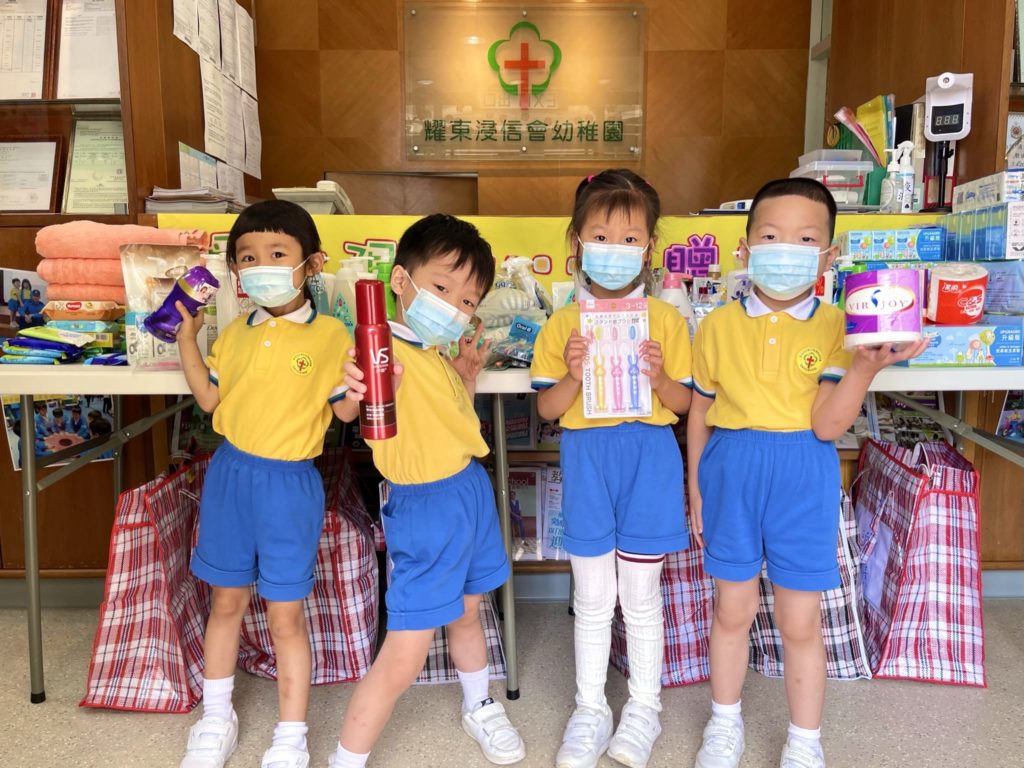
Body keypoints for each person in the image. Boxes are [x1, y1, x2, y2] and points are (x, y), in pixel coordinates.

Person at [687, 178, 929, 768]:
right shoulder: (716, 325)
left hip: (803, 476)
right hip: (730, 474)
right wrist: (695, 489)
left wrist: (865, 370)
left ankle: (804, 739)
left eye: (805, 238)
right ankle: (724, 723)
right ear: (745, 247)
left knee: (800, 621)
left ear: (828, 255)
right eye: (771, 236)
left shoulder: (840, 326)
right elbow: (698, 412)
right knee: (732, 611)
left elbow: (827, 426)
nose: (786, 249)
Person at [332, 214, 525, 768]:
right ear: (400, 280)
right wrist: (359, 390)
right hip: (423, 505)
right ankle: (347, 757)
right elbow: (351, 409)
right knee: (405, 650)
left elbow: (447, 422)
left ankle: (479, 703)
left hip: (469, 492)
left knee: (469, 610)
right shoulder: (379, 350)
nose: (453, 307)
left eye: (467, 300)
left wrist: (466, 377)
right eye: (441, 287)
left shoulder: (434, 350)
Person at [174, 200, 358, 768]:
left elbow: (346, 414)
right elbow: (209, 399)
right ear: (235, 270)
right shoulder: (234, 334)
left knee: (285, 614)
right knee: (225, 601)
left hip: (290, 487)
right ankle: (216, 717)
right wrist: (187, 339)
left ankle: (291, 733)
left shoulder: (332, 335)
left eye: (278, 253)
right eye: (248, 257)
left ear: (312, 264)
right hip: (230, 477)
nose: (262, 267)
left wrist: (366, 383)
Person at [530, 169, 693, 768]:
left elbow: (684, 404)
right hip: (587, 461)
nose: (615, 249)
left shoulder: (667, 320)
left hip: (650, 460)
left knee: (641, 596)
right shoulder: (561, 325)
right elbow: (547, 409)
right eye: (601, 236)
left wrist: (661, 377)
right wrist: (573, 373)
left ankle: (644, 708)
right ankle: (590, 708)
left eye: (630, 238)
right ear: (577, 242)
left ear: (649, 247)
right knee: (594, 596)